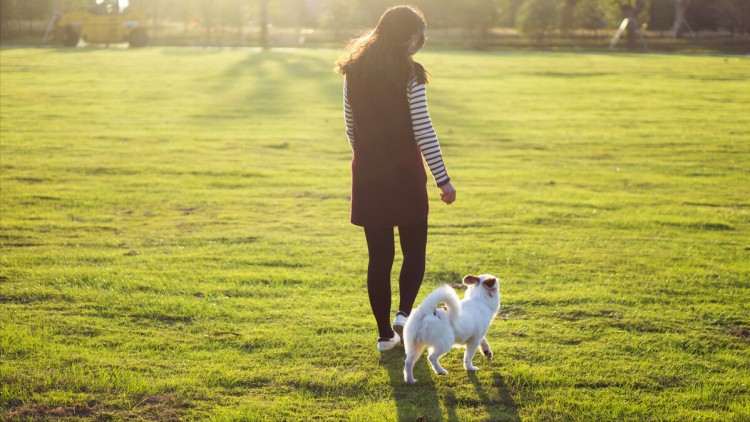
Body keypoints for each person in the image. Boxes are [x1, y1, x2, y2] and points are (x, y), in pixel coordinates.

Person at [334, 5, 456, 352]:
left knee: (379, 257)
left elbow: (349, 125)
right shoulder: (410, 73)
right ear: (409, 36)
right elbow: (424, 129)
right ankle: (404, 314)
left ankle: (385, 333)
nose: (422, 40)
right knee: (414, 250)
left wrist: (369, 157)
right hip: (405, 173)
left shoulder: (353, 71)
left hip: (369, 174)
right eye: (419, 33)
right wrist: (442, 179)